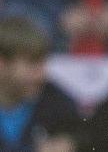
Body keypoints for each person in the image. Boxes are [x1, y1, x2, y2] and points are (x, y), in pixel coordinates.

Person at [0, 16, 83, 152]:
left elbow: (85, 133)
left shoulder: (55, 101)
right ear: (2, 64)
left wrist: (71, 142)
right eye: (32, 63)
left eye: (43, 63)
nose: (41, 74)